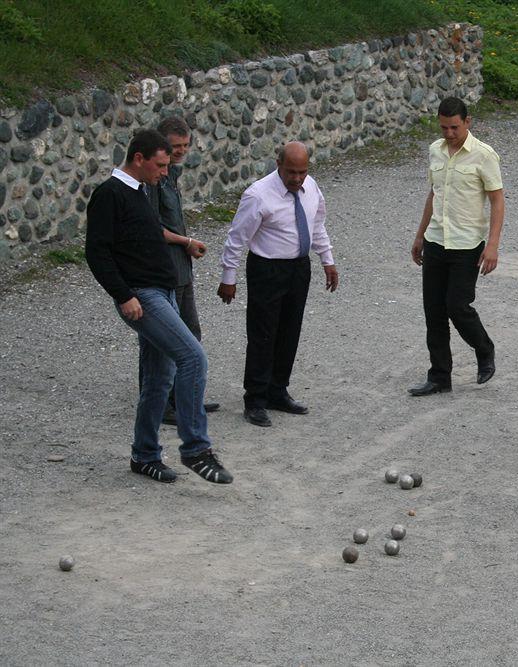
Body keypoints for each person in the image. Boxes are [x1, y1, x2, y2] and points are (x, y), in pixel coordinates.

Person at [85, 129, 233, 484]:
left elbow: (153, 231)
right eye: (161, 164)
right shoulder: (109, 194)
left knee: (158, 378)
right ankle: (196, 447)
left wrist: (185, 241)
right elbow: (97, 252)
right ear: (139, 158)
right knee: (193, 357)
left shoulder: (141, 191)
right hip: (142, 295)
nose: (165, 171)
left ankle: (145, 454)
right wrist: (123, 295)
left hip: (163, 291)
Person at [218, 141, 339, 428]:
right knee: (262, 334)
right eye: (291, 172)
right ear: (278, 165)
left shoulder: (312, 188)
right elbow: (237, 238)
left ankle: (278, 389)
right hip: (267, 268)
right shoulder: (258, 195)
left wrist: (327, 259)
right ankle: (256, 398)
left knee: (290, 330)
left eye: (302, 172)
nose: (297, 179)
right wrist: (228, 278)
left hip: (298, 267)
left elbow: (317, 224)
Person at [409, 97, 505, 396]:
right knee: (433, 312)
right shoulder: (435, 151)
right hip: (437, 240)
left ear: (467, 122)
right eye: (443, 127)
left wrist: (493, 246)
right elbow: (433, 194)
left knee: (457, 306)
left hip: (467, 245)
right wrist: (419, 235)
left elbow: (497, 200)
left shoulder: (483, 155)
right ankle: (439, 376)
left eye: (454, 127)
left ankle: (484, 349)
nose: (449, 133)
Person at [149, 116, 219, 424]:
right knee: (163, 340)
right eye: (175, 146)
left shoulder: (171, 177)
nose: (181, 151)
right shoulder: (152, 181)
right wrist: (186, 241)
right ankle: (161, 404)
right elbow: (152, 227)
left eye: (185, 145)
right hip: (164, 270)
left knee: (190, 333)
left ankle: (185, 398)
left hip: (181, 269)